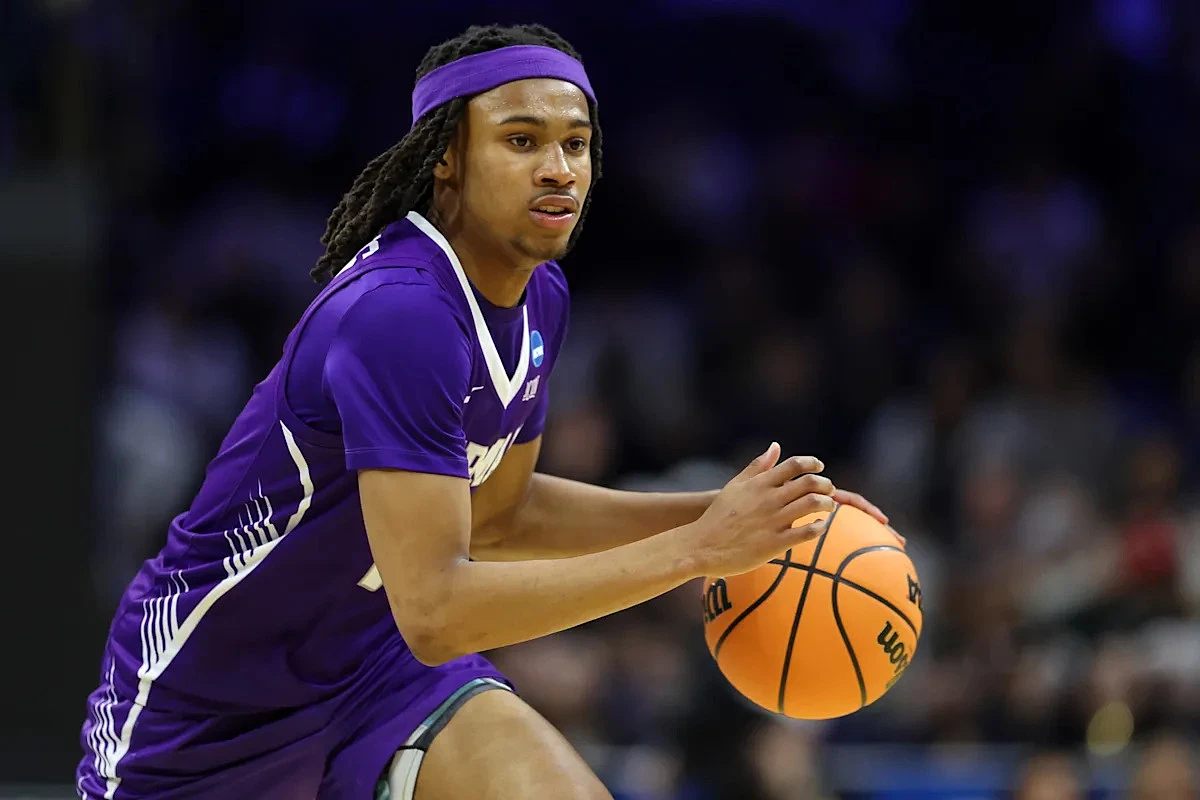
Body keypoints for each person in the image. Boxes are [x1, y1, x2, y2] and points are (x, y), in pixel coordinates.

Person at [77, 23, 887, 800]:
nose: (558, 169)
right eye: (521, 140)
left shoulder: (539, 296)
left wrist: (735, 518)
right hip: (214, 709)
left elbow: (500, 514)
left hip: (377, 670)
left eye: (575, 144)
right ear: (446, 159)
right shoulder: (400, 314)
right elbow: (436, 612)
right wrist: (695, 550)